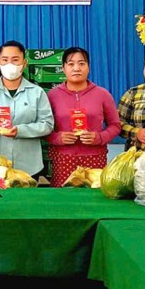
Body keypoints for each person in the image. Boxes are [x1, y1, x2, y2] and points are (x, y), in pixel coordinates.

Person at [0, 40, 54, 177]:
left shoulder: (37, 92)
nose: (10, 64)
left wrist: (20, 130)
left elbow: (47, 125)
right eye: (5, 60)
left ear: (24, 63)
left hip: (29, 166)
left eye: (15, 60)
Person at [46, 47, 121, 186]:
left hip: (94, 158)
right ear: (63, 68)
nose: (76, 68)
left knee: (94, 196)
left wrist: (99, 137)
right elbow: (44, 127)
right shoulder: (52, 96)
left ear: (88, 67)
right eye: (71, 64)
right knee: (63, 197)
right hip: (63, 159)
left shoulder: (102, 94)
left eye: (81, 63)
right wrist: (58, 138)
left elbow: (115, 125)